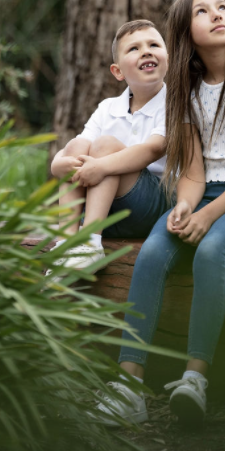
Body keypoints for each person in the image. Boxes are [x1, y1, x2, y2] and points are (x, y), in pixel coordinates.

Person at [101, 0, 225, 428]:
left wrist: (208, 217)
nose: (218, 15)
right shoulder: (182, 90)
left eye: (222, 7)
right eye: (203, 11)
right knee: (151, 253)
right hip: (204, 193)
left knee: (210, 251)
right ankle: (128, 387)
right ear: (187, 30)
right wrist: (185, 207)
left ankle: (195, 378)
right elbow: (192, 171)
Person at [49, 19, 169, 272]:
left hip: (152, 206)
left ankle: (90, 244)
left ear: (167, 57)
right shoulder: (108, 108)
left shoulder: (174, 103)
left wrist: (101, 166)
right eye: (133, 49)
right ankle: (66, 242)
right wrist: (58, 163)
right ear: (118, 72)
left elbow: (154, 149)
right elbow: (79, 145)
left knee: (104, 145)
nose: (146, 50)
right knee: (76, 146)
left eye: (153, 44)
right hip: (104, 208)